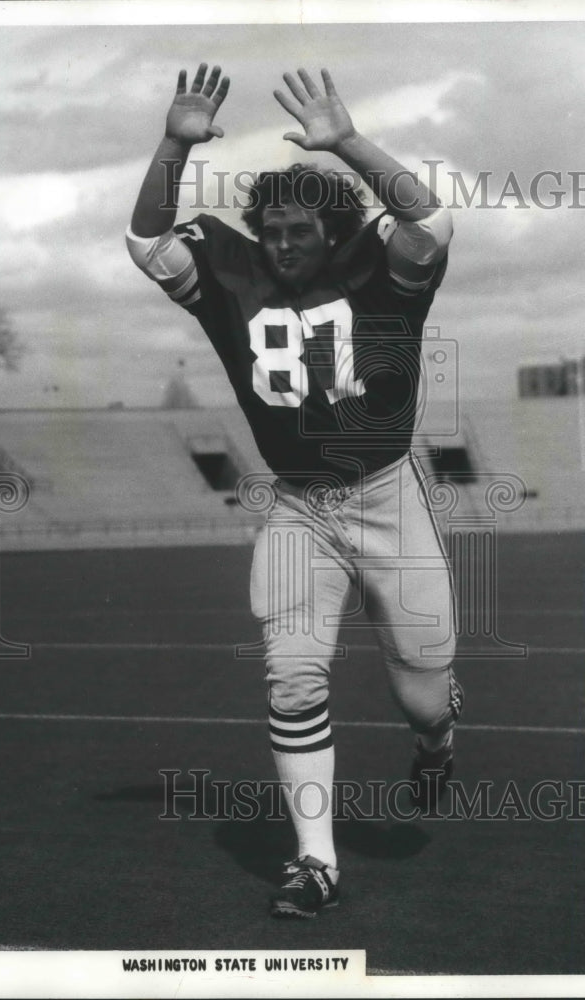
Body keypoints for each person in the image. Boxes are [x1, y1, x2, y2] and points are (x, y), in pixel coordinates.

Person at [127, 63, 462, 918]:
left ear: (334, 229)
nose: (279, 242)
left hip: (387, 494)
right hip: (297, 507)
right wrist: (173, 143)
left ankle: (436, 740)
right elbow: (145, 241)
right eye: (269, 228)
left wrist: (346, 140)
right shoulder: (232, 276)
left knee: (420, 687)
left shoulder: (379, 272)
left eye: (297, 228)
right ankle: (315, 862)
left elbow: (429, 217)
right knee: (291, 680)